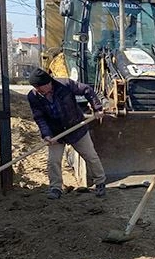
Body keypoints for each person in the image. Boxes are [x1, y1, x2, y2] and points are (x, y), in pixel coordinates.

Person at [27, 68, 106, 199]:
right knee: (53, 161)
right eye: (35, 87)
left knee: (91, 156)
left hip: (76, 127)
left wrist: (97, 108)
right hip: (55, 133)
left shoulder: (65, 85)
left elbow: (87, 90)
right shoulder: (33, 96)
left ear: (48, 83)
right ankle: (55, 188)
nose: (37, 90)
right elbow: (39, 117)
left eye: (39, 87)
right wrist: (46, 135)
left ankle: (100, 183)